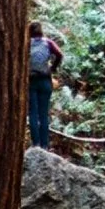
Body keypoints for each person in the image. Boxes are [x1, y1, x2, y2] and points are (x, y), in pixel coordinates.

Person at [27, 21, 65, 149]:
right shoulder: (48, 43)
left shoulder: (27, 43)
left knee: (33, 113)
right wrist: (52, 68)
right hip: (45, 80)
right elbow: (59, 54)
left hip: (31, 80)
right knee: (43, 114)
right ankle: (45, 146)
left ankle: (35, 144)